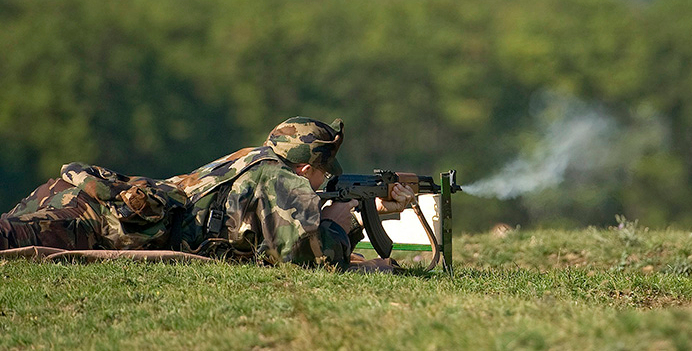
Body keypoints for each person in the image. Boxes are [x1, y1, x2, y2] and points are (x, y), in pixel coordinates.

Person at [0, 117, 414, 270]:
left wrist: (361, 209)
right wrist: (340, 227)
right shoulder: (281, 181)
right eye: (322, 176)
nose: (323, 184)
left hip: (77, 196)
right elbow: (309, 254)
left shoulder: (253, 159)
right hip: (97, 223)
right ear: (305, 168)